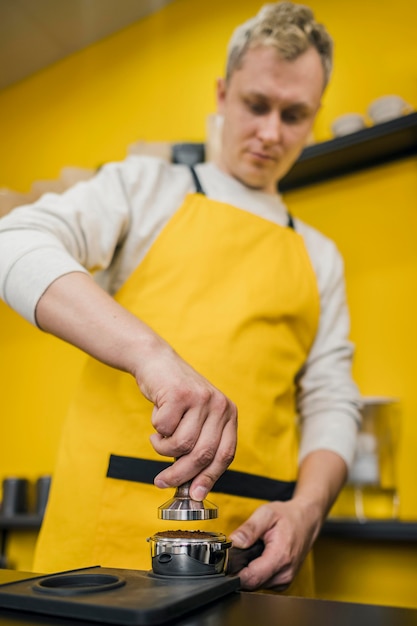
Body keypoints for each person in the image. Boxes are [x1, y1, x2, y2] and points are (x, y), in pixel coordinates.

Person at [0, 2, 361, 595]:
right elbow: (15, 240)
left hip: (256, 554)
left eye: (294, 115)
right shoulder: (142, 187)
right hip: (106, 547)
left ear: (315, 117)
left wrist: (308, 511)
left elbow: (331, 400)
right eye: (256, 105)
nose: (271, 132)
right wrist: (152, 357)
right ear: (222, 93)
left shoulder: (319, 255)